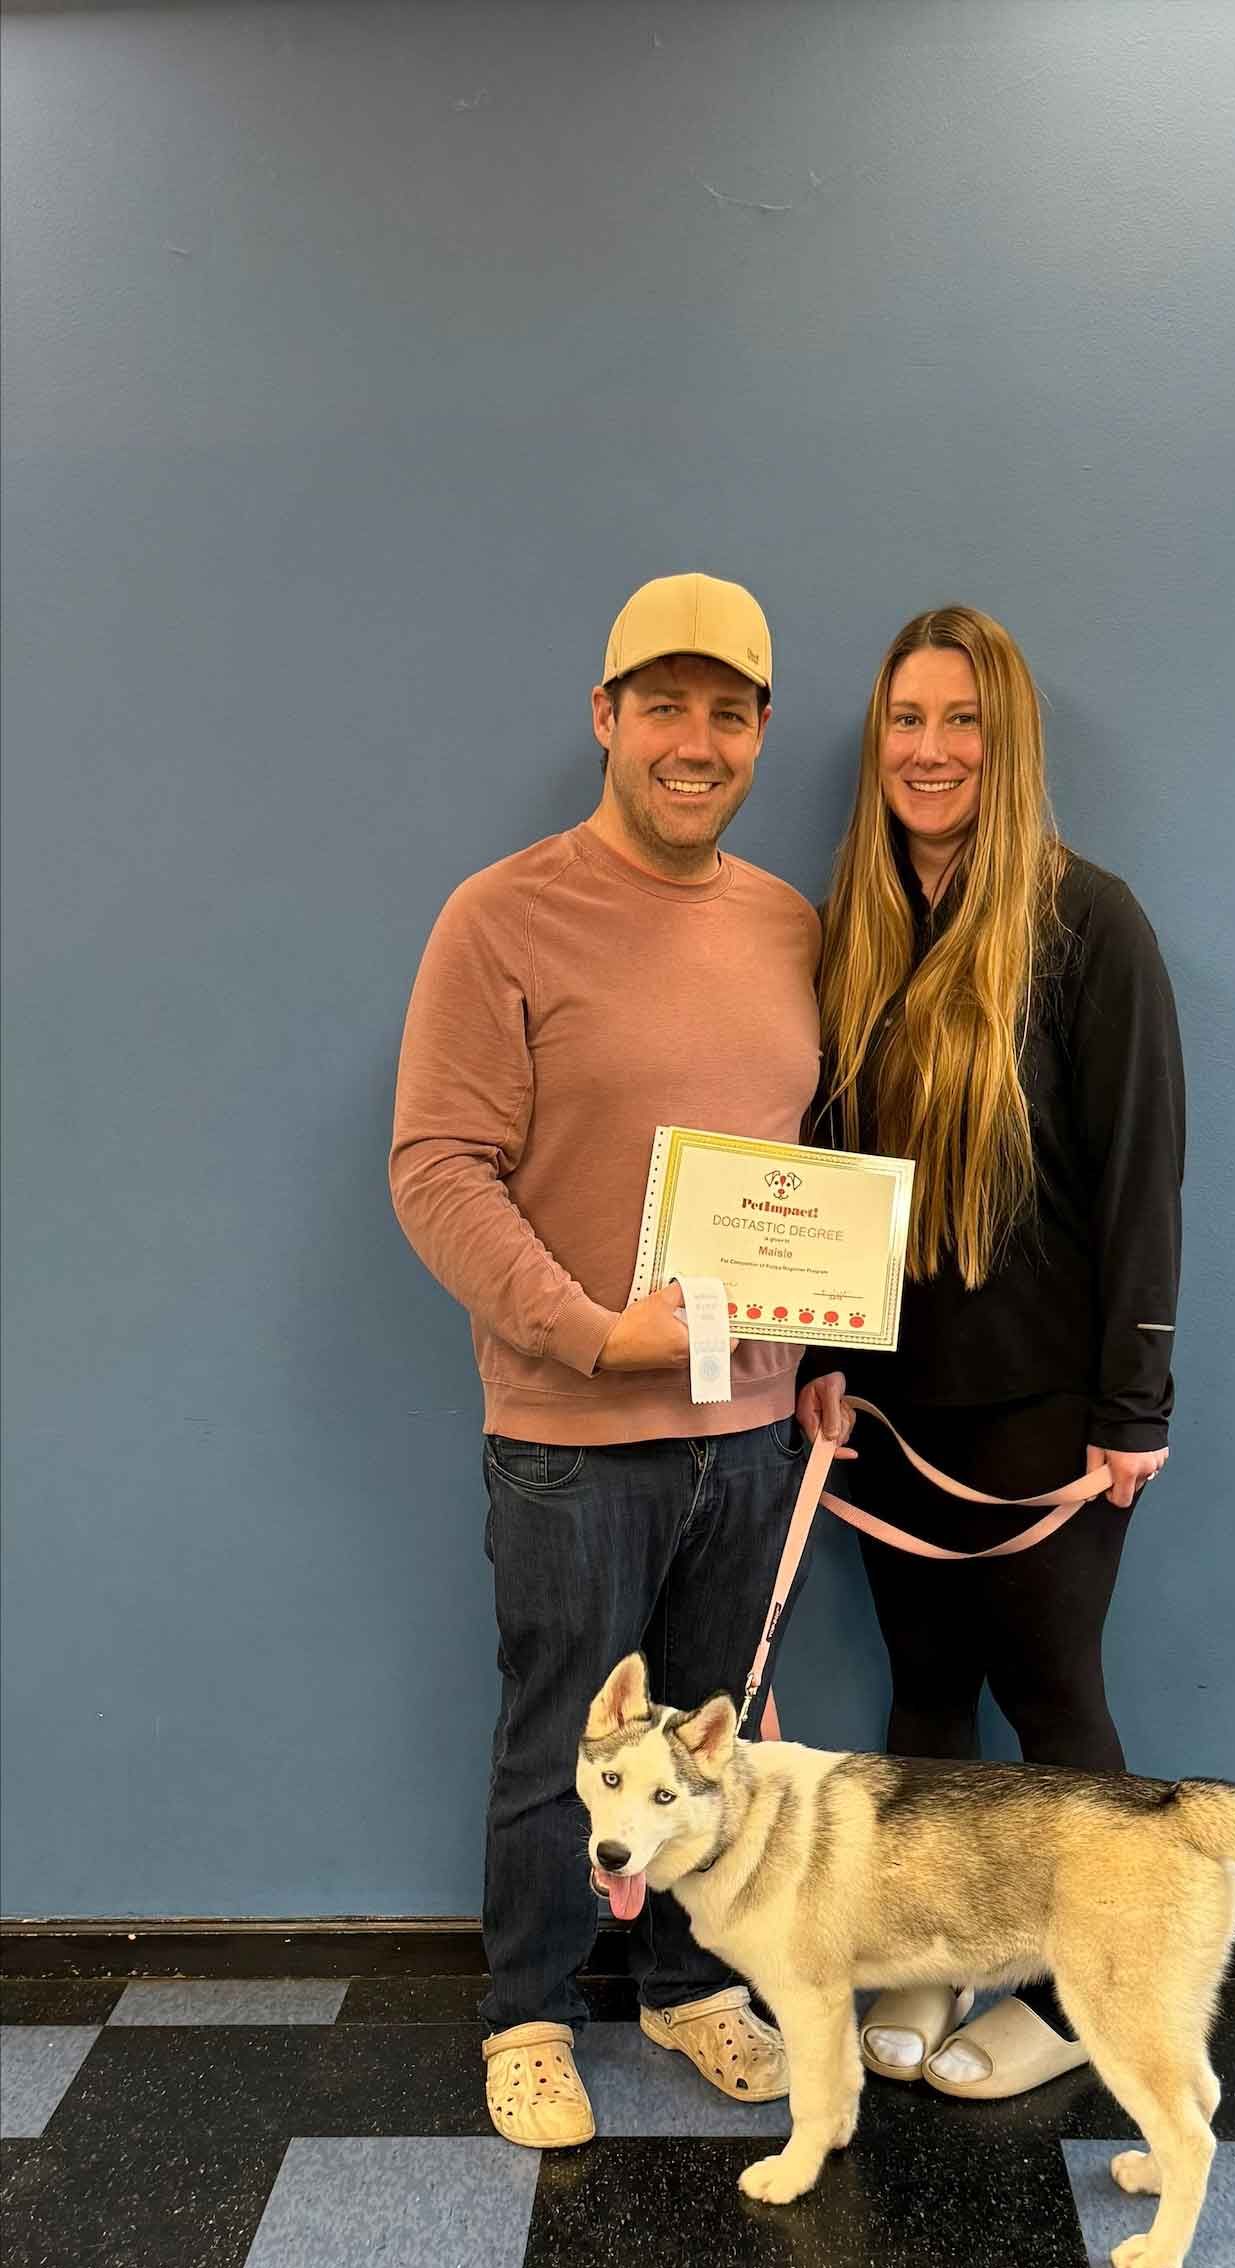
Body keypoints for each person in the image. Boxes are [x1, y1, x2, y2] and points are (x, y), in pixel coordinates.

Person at [391, 573, 821, 2147]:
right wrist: (587, 1331)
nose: (693, 741)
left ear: (761, 733)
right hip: (569, 1435)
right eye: (663, 706)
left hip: (757, 1429)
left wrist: (822, 1354)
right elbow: (436, 1165)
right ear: (606, 717)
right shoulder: (500, 915)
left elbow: (808, 1164)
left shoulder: (790, 924)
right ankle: (527, 2013)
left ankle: (690, 1983)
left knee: (713, 1738)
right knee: (564, 1732)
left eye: (727, 711)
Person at [797, 604, 1185, 2100]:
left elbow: (1144, 1176)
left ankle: (1089, 1998)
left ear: (1005, 743)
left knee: (1055, 1710)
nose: (931, 750)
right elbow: (828, 1157)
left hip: (1049, 1411)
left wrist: (1132, 1404)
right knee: (922, 1698)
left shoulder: (1096, 925)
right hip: (894, 1403)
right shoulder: (855, 932)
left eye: (962, 722)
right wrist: (822, 1350)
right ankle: (939, 1944)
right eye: (907, 719)